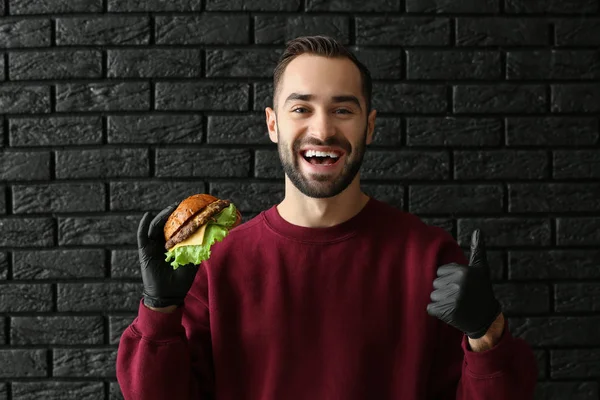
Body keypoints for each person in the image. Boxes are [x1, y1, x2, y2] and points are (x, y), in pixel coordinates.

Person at [116, 35, 538, 399]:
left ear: (369, 127)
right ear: (272, 123)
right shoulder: (217, 264)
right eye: (301, 109)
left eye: (343, 110)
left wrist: (488, 334)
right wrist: (159, 313)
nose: (322, 130)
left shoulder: (428, 256)